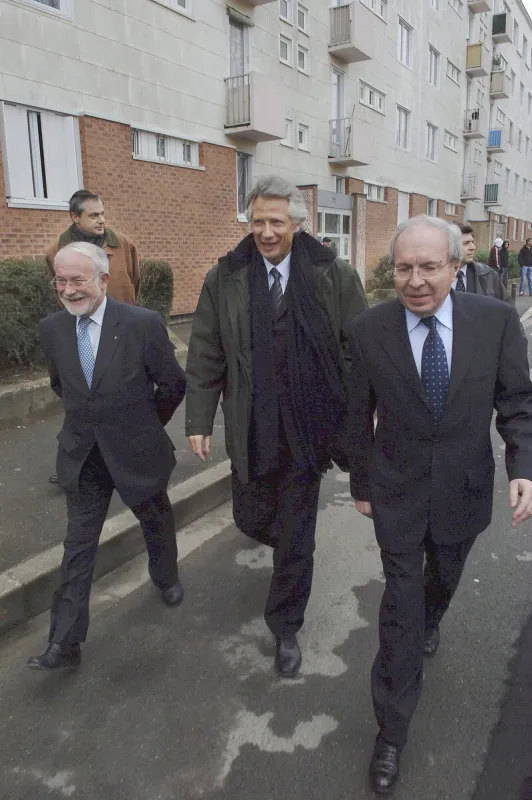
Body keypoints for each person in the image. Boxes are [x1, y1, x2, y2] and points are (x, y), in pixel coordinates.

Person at [347, 215, 532, 794]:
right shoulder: (369, 329)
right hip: (396, 491)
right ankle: (392, 731)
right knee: (400, 609)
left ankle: (432, 617)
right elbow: (356, 413)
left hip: (464, 488)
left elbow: (517, 402)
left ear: (456, 265)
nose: (416, 280)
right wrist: (361, 483)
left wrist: (523, 468)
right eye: (404, 268)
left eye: (429, 267)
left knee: (442, 580)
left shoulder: (495, 322)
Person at [186, 175, 367, 678]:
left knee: (296, 530)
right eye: (258, 221)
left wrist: (360, 413)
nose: (266, 232)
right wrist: (199, 418)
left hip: (308, 426)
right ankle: (286, 541)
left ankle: (286, 626)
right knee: (249, 517)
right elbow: (206, 351)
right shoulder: (225, 276)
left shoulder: (333, 274)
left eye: (276, 223)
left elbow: (358, 348)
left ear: (297, 225)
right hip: (251, 422)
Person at [27, 243, 186, 672]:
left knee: (155, 519)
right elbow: (62, 385)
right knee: (78, 546)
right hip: (84, 456)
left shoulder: (141, 324)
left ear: (103, 279)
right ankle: (64, 642)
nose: (68, 290)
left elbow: (173, 384)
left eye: (77, 280)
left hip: (137, 450)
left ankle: (166, 577)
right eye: (61, 281)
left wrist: (144, 424)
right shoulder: (52, 329)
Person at [47, 190, 141, 485]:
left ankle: (131, 458)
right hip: (83, 335)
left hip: (121, 334)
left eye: (103, 213)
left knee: (129, 398)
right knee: (81, 404)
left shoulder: (122, 243)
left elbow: (134, 281)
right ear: (75, 218)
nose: (101, 220)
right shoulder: (56, 251)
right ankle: (75, 464)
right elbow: (62, 292)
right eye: (93, 215)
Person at [457, 225, 510, 301]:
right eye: (466, 243)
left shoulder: (488, 274)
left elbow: (507, 304)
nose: (473, 247)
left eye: (472, 242)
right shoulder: (439, 276)